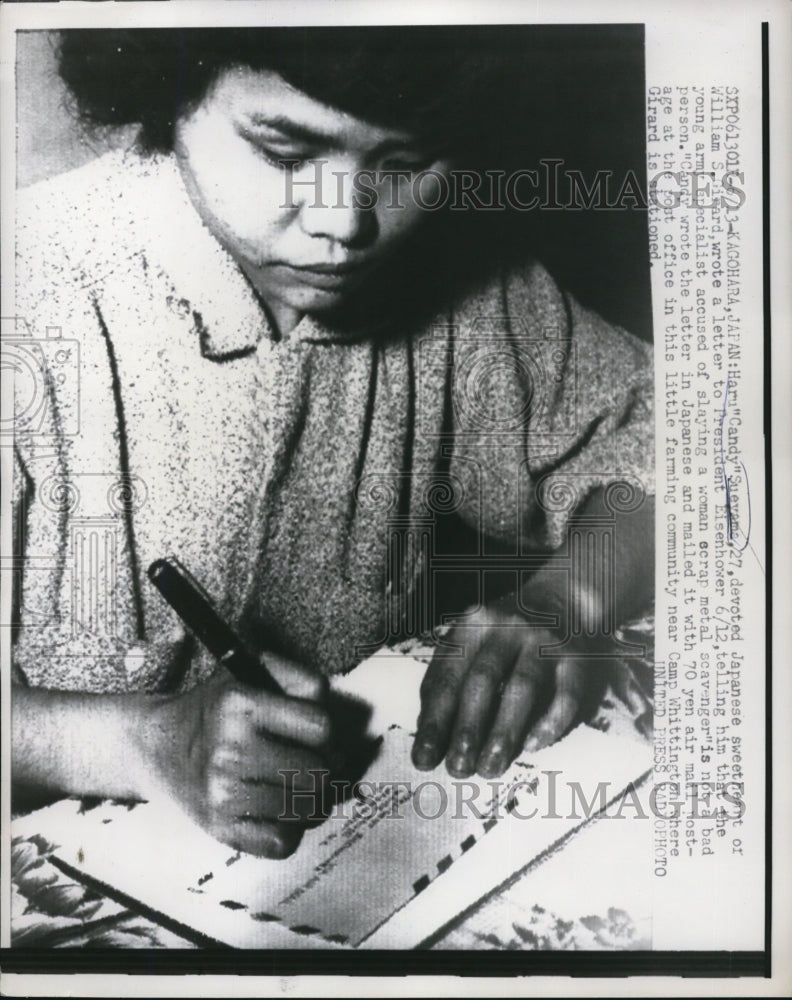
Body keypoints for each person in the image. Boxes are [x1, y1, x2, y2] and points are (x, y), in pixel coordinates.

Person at [10, 27, 655, 859]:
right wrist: (140, 743)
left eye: (402, 166)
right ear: (168, 86)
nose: (345, 223)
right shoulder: (28, 289)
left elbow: (689, 448)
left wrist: (574, 597)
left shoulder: (455, 283)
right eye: (285, 150)